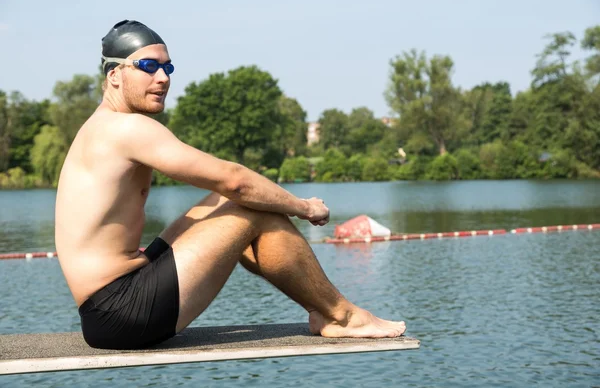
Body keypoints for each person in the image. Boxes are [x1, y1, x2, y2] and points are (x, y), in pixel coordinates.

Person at [55, 20, 406, 350]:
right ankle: (341, 316)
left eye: (168, 67)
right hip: (121, 312)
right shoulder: (126, 129)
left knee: (224, 200)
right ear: (115, 74)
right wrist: (304, 207)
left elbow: (227, 188)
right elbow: (235, 180)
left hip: (112, 303)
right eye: (148, 66)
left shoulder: (102, 126)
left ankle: (324, 311)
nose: (162, 78)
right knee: (248, 205)